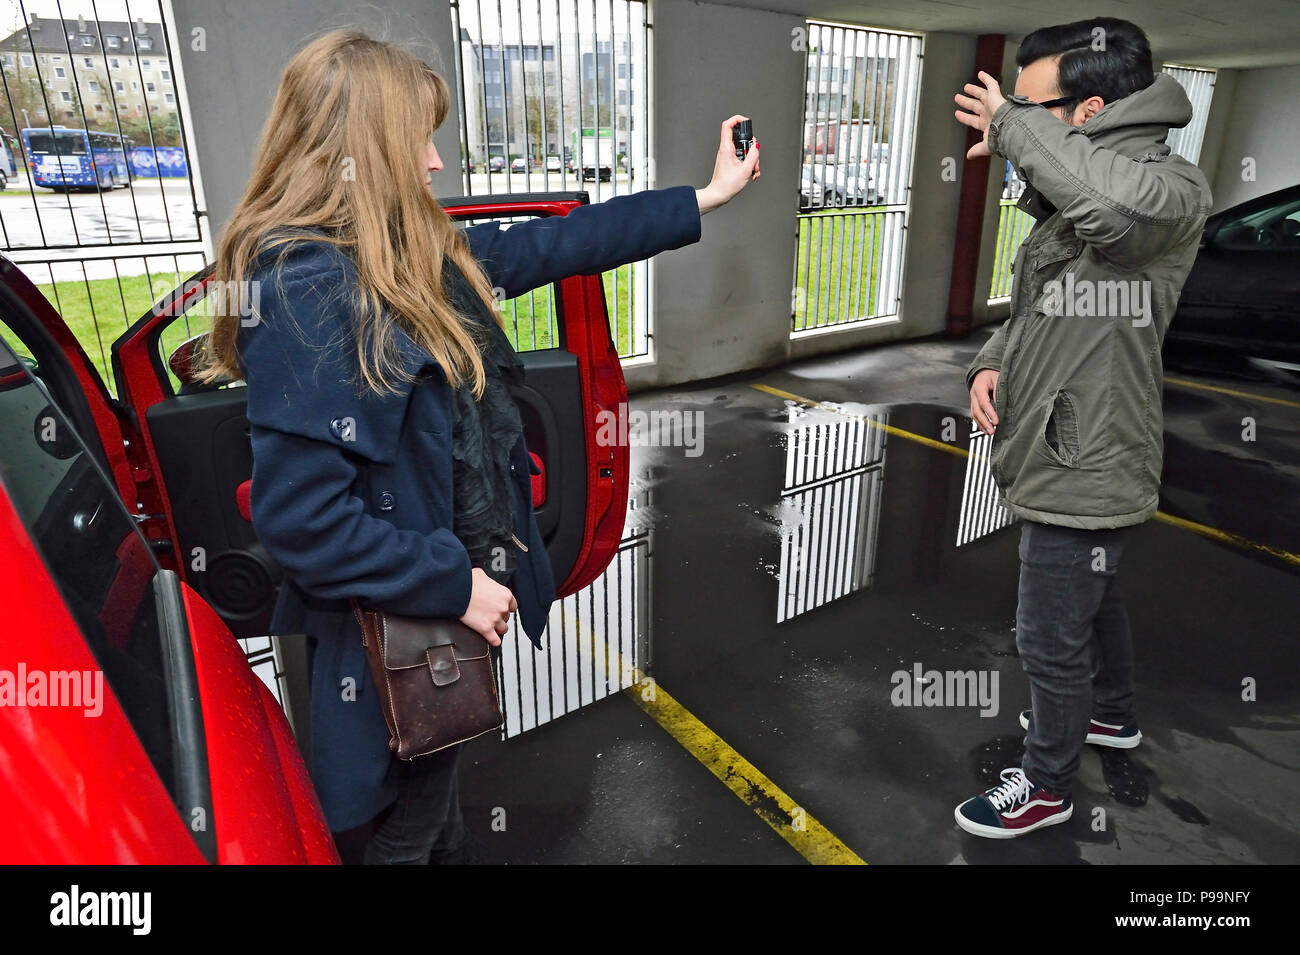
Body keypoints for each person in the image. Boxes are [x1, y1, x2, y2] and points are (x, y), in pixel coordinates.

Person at [193, 29, 760, 863]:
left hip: (434, 632)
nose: (432, 164)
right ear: (363, 152)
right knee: (402, 831)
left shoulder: (413, 260)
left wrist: (705, 197)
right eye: (418, 139)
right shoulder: (311, 289)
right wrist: (454, 583)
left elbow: (559, 241)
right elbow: (302, 522)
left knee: (436, 801)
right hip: (398, 633)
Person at [951, 18, 1212, 838]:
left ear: (1089, 107)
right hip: (1061, 434)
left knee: (1047, 632)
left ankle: (1048, 782)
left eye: (1033, 105)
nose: (1017, 117)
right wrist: (991, 358)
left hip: (1090, 448)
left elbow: (1110, 208)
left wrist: (1012, 129)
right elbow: (1043, 297)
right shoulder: (1084, 187)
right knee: (1093, 601)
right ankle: (1110, 715)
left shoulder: (1169, 189)